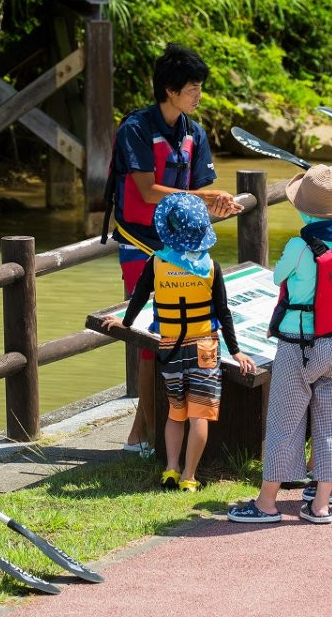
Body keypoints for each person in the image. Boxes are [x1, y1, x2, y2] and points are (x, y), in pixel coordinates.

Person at [104, 44, 243, 456]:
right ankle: (143, 431)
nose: (198, 95)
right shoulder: (135, 129)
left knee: (183, 333)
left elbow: (199, 191)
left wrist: (216, 201)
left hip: (183, 249)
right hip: (139, 244)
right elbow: (147, 192)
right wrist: (204, 195)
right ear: (169, 89)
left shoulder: (193, 133)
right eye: (193, 88)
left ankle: (148, 431)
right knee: (152, 338)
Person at [227, 166, 332, 525]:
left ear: (304, 210)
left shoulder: (300, 246)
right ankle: (320, 505)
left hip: (300, 345)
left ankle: (266, 504)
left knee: (284, 423)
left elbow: (278, 276)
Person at [102, 192, 256, 493]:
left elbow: (140, 296)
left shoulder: (156, 262)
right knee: (199, 414)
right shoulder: (211, 267)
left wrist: (126, 323)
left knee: (176, 412)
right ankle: (189, 475)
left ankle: (170, 468)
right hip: (205, 348)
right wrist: (235, 351)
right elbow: (223, 312)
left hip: (170, 347)